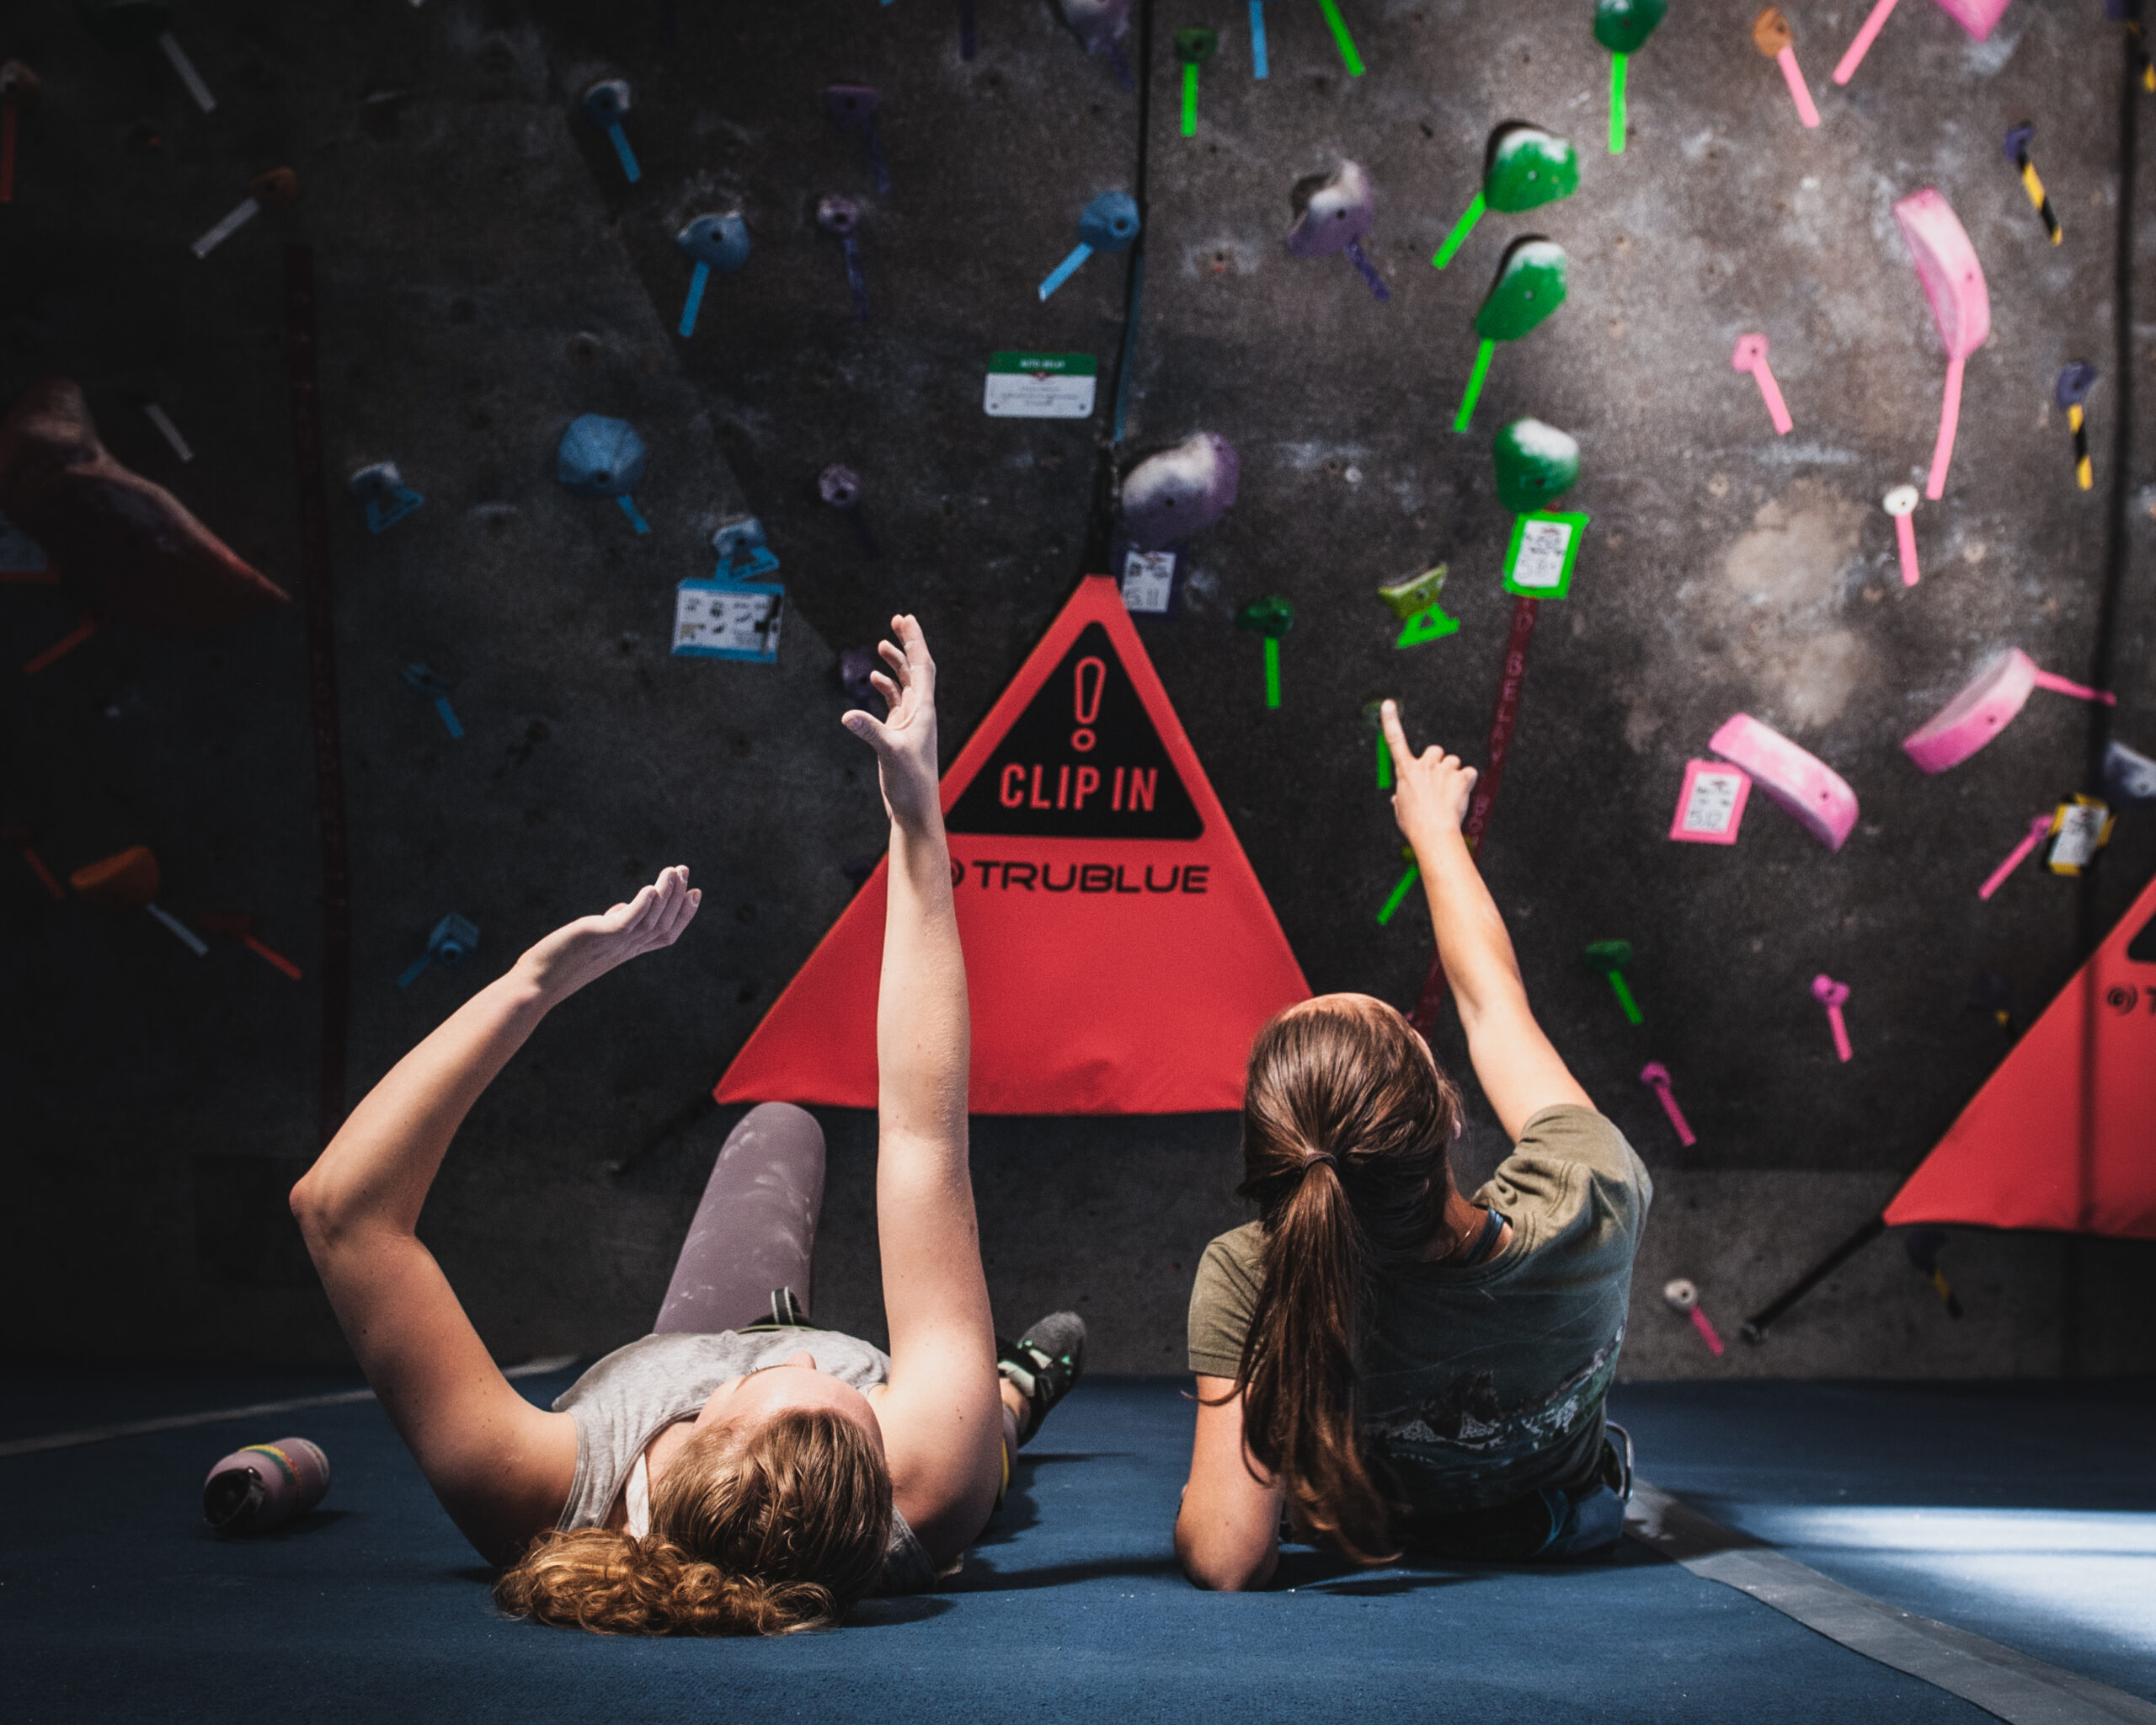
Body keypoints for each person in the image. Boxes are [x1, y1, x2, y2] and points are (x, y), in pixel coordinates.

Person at [291, 615, 1085, 1635]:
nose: (803, 1349)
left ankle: (989, 1394)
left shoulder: (537, 1490)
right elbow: (923, 1139)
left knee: (778, 1124)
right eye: (857, 1404)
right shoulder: (915, 1476)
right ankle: (1015, 1397)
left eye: (779, 1375)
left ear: (697, 1426)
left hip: (670, 1355)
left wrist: (529, 986)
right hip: (936, 1474)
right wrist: (920, 824)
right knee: (977, 1461)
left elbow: (341, 1212)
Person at [1174, 700, 1652, 1589]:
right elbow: (1492, 1004)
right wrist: (1436, 831)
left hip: (1354, 1528)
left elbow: (1227, 1552)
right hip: (1549, 1531)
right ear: (1449, 1108)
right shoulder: (1594, 1191)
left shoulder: (1250, 1272)